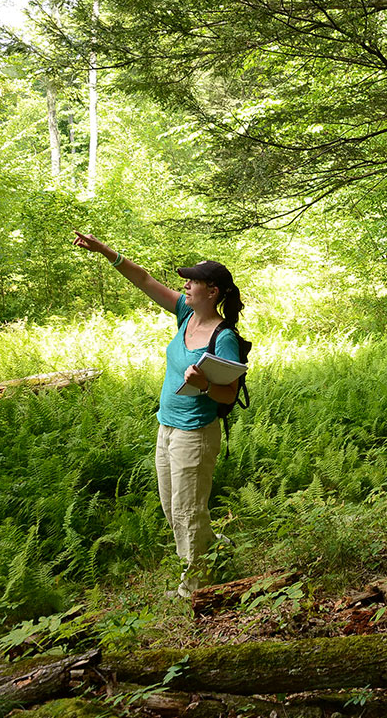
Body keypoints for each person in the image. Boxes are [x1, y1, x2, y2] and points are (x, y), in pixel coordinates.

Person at [73, 232, 244, 598]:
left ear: (212, 292)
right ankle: (218, 550)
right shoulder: (186, 313)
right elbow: (145, 280)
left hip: (195, 433)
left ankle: (196, 587)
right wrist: (105, 251)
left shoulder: (223, 336)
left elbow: (228, 392)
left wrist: (201, 384)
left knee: (187, 511)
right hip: (166, 427)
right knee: (173, 509)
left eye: (193, 281)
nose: (185, 285)